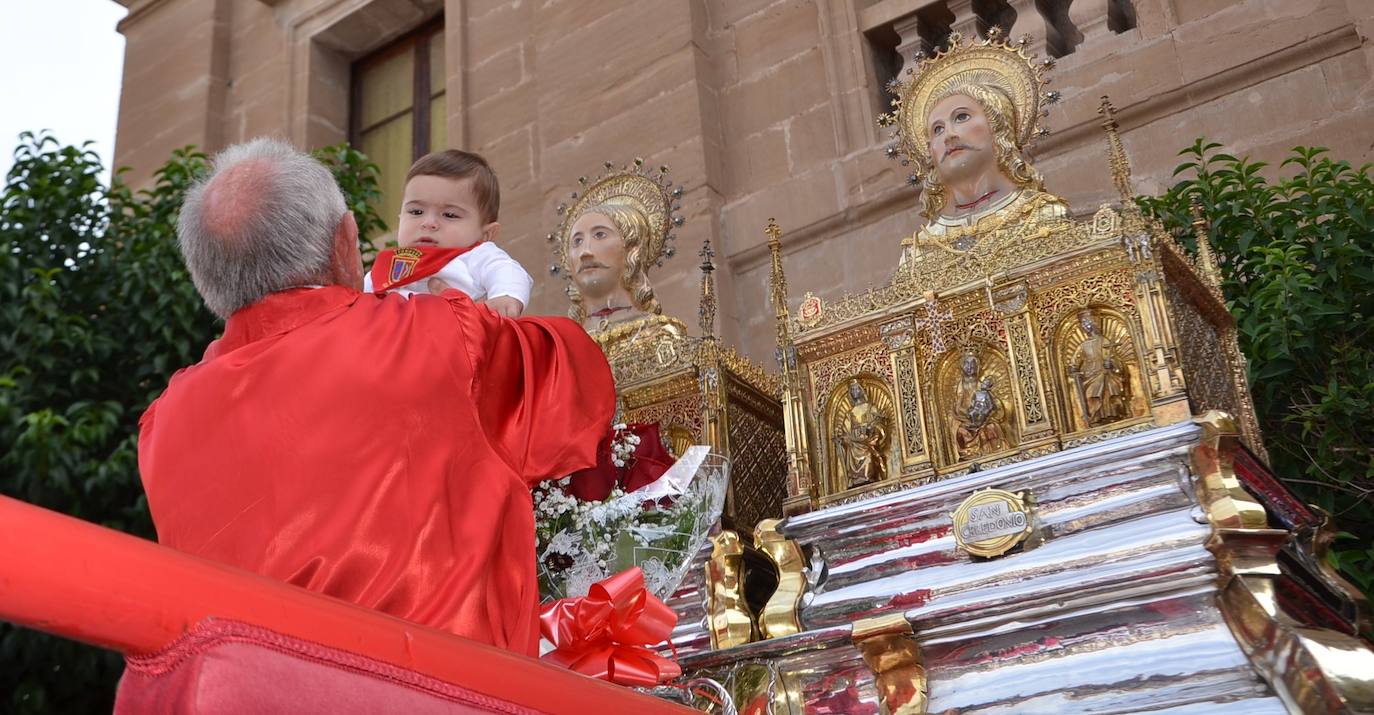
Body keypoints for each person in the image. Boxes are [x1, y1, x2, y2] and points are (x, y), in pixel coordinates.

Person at [136, 138, 614, 656]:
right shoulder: (441, 335)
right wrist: (474, 313)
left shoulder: (161, 423)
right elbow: (574, 378)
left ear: (207, 278)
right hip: (426, 687)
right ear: (346, 241)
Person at [364, 150, 532, 318]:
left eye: (450, 215)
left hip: (451, 336)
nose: (428, 223)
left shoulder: (475, 256)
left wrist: (505, 297)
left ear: (485, 234)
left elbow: (505, 270)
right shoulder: (385, 268)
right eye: (416, 211)